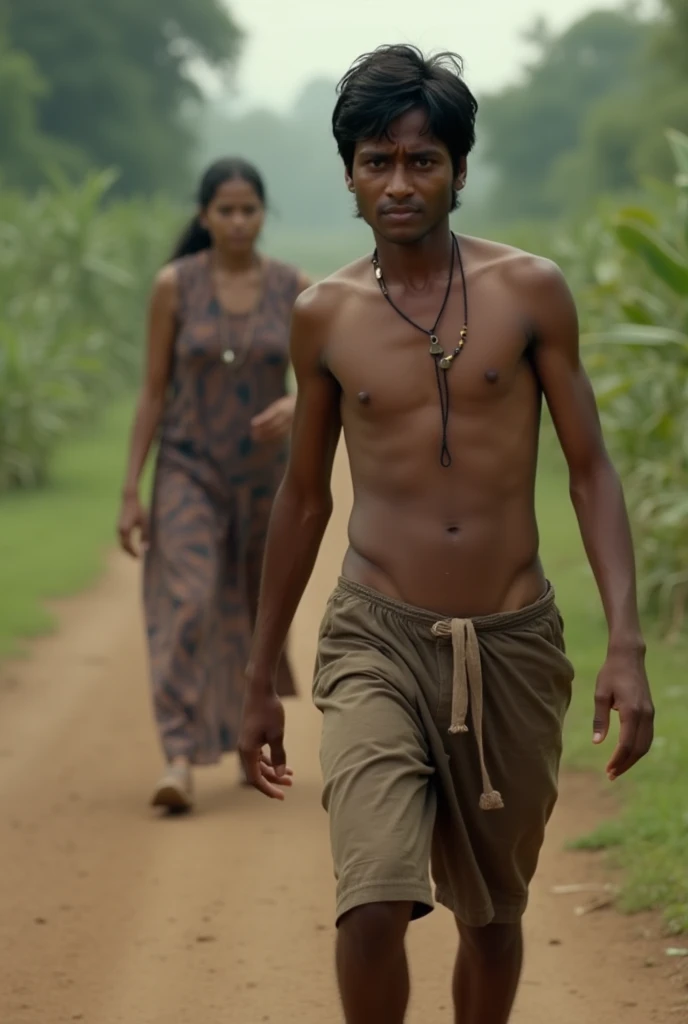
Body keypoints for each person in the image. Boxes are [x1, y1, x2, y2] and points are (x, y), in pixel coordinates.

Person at [239, 45, 655, 1024]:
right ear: (346, 171)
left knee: (492, 915)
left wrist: (626, 647)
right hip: (375, 636)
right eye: (376, 160)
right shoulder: (323, 318)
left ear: (459, 171)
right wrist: (259, 676)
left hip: (511, 645)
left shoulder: (530, 293)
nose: (397, 182)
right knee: (373, 900)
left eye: (421, 161)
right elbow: (303, 500)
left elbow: (589, 471)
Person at [117, 157, 309, 812]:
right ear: (204, 217)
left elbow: (328, 378)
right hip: (188, 468)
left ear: (263, 214)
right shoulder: (175, 286)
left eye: (248, 209)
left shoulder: (294, 289)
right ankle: (177, 754)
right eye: (223, 210)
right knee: (192, 602)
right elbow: (151, 391)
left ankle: (244, 739)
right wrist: (129, 491)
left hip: (264, 482)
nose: (236, 221)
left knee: (258, 616)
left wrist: (298, 405)